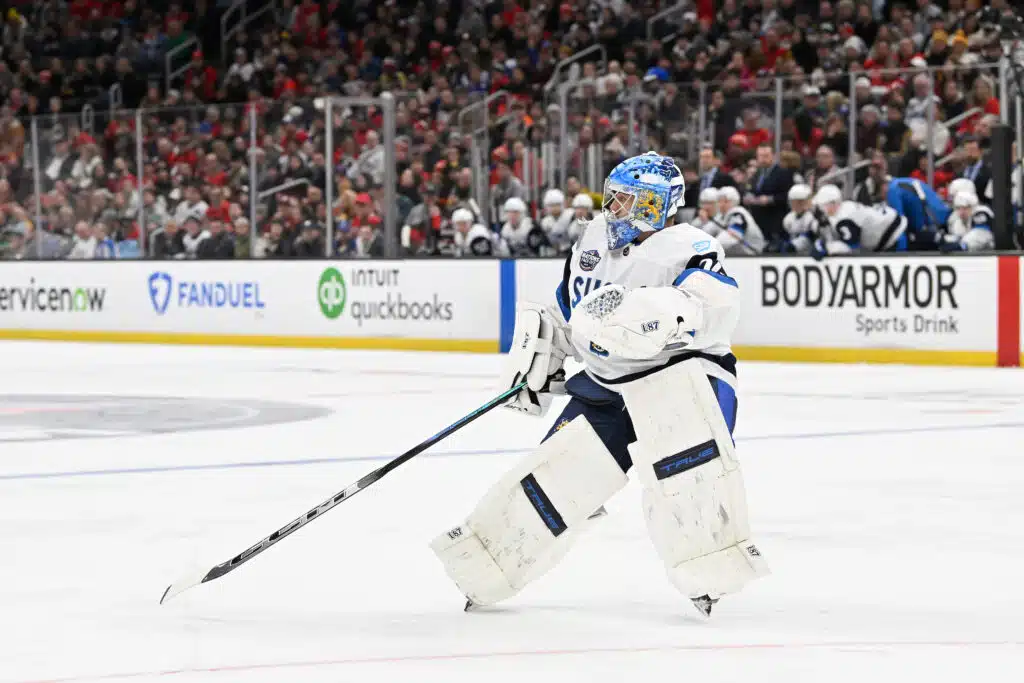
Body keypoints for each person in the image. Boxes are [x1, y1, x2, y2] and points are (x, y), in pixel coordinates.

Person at [431, 152, 768, 617]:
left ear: (654, 205)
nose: (612, 207)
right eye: (612, 196)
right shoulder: (592, 239)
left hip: (679, 381)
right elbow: (570, 308)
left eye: (626, 199)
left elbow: (711, 304)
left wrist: (643, 316)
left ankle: (711, 572)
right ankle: (489, 569)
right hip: (605, 383)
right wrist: (542, 352)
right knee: (554, 478)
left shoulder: (690, 246)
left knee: (692, 480)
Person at [812, 184, 908, 258]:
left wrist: (827, 247)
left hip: (894, 236)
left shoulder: (844, 218)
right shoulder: (845, 207)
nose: (820, 209)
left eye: (823, 205)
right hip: (892, 228)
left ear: (834, 203)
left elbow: (852, 248)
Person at [885, 176, 952, 248]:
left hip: (931, 229)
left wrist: (899, 255)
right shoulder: (906, 182)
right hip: (943, 222)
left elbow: (898, 227)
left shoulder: (892, 190)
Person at [715, 186, 766, 254]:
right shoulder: (722, 216)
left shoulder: (738, 214)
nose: (721, 204)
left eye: (724, 201)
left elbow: (730, 238)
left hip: (752, 255)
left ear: (733, 202)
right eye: (719, 201)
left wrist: (711, 246)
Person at [778, 184, 824, 254]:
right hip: (795, 254)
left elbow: (815, 237)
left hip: (812, 253)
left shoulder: (813, 217)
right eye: (793, 202)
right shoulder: (788, 218)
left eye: (799, 202)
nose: (796, 205)